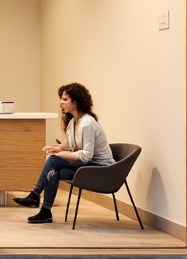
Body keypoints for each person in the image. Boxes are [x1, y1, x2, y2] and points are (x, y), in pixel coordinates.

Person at [12, 82, 114, 223]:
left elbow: (85, 155)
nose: (61, 102)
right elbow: (73, 147)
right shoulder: (74, 122)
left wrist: (57, 155)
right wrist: (58, 148)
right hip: (88, 166)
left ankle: (35, 194)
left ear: (76, 101)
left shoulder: (87, 123)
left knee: (53, 161)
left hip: (102, 168)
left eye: (65, 99)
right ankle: (45, 212)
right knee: (53, 172)